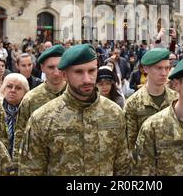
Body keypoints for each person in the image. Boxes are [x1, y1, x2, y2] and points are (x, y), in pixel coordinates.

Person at [18, 44, 131, 175]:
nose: (87, 79)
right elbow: (30, 170)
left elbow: (122, 167)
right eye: (78, 72)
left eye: (91, 71)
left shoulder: (114, 113)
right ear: (64, 75)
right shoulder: (42, 118)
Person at [13, 45, 67, 165]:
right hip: (40, 163)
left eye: (60, 67)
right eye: (51, 67)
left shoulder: (76, 94)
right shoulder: (31, 99)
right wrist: (17, 167)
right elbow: (20, 135)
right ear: (42, 68)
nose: (57, 72)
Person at [124, 48, 178, 152]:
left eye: (167, 68)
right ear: (145, 69)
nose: (164, 73)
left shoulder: (176, 99)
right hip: (145, 163)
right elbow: (130, 143)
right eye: (158, 68)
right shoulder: (133, 103)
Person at [0, 73, 29, 157]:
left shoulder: (28, 110)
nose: (13, 90)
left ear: (25, 92)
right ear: (3, 88)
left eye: (18, 88)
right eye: (9, 86)